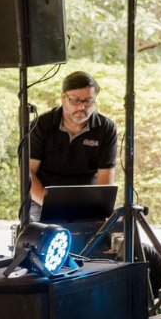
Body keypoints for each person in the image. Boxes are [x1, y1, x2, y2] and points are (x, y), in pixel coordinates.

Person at [28, 72, 116, 213]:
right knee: (49, 231)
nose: (82, 107)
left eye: (88, 101)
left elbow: (106, 177)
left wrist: (99, 209)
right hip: (43, 200)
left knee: (107, 230)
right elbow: (28, 172)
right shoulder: (41, 125)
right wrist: (50, 205)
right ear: (63, 98)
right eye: (75, 100)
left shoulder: (105, 128)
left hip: (88, 201)